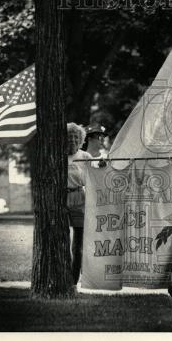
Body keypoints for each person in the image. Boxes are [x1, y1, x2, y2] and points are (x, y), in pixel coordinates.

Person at [67, 122, 94, 286]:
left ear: (81, 139)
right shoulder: (56, 154)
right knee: (61, 242)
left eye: (76, 137)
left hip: (80, 198)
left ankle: (73, 281)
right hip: (60, 199)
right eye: (69, 137)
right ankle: (62, 276)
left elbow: (97, 175)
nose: (72, 140)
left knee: (77, 246)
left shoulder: (85, 157)